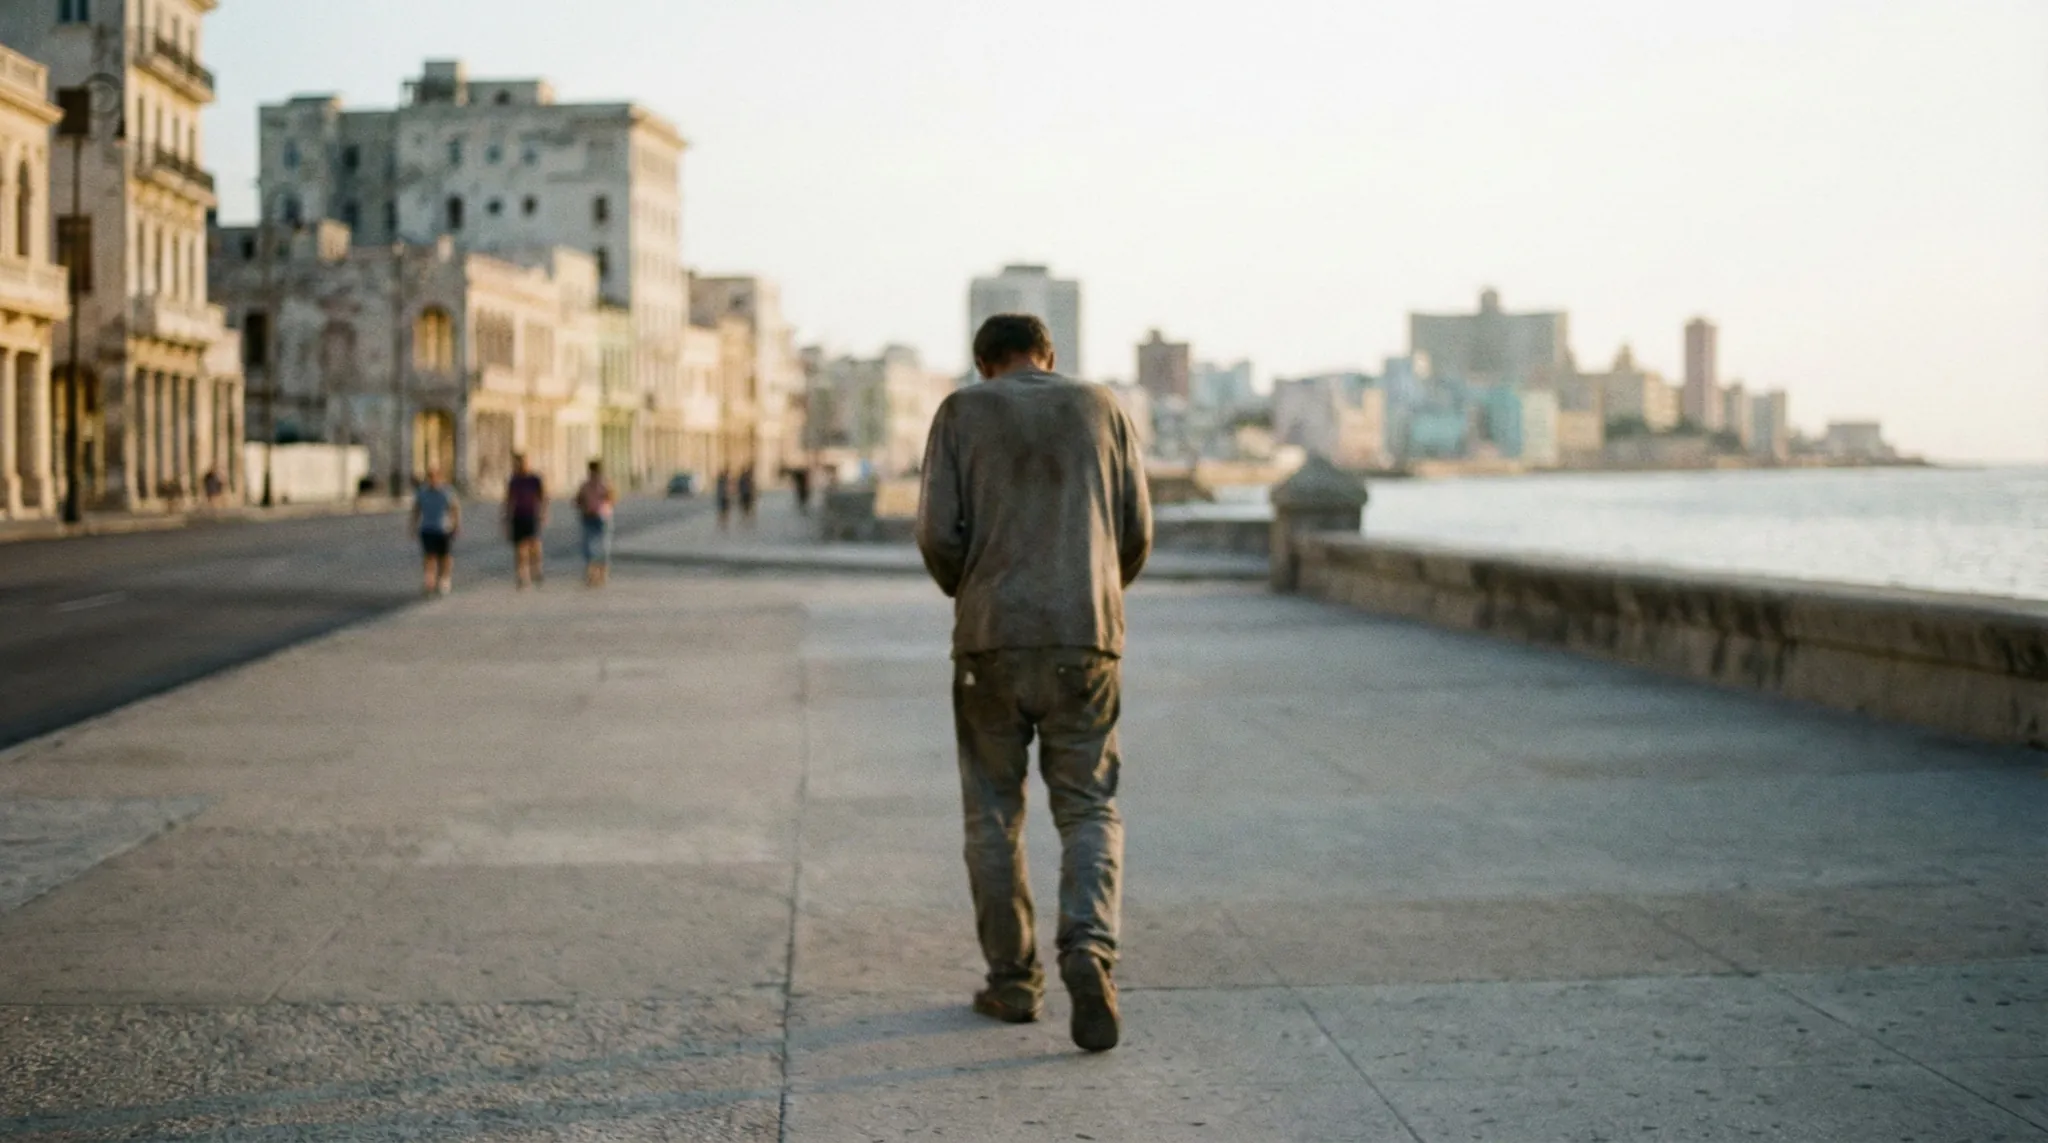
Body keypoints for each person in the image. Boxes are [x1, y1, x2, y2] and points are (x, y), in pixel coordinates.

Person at [914, 313, 1152, 1053]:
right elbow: (1136, 528)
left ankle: (1014, 981)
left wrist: (976, 589)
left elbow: (936, 533)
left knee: (992, 813)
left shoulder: (960, 410)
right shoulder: (1102, 405)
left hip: (990, 640)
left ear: (983, 362)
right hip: (1086, 640)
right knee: (1088, 807)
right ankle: (1088, 947)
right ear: (1048, 356)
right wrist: (1094, 597)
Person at [410, 466, 461, 596]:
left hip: (443, 529)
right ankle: (430, 581)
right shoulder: (422, 492)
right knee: (429, 556)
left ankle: (444, 579)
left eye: (435, 476)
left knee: (445, 557)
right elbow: (416, 509)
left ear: (440, 477)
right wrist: (413, 526)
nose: (432, 479)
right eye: (430, 476)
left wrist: (456, 525)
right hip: (427, 528)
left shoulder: (447, 492)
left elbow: (454, 509)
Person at [503, 452, 547, 589]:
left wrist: (544, 513)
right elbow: (509, 500)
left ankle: (536, 569)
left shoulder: (535, 479)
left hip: (532, 514)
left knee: (534, 544)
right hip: (518, 515)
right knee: (520, 548)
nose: (520, 465)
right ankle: (522, 575)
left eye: (522, 462)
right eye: (518, 463)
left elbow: (543, 496)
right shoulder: (514, 480)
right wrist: (506, 517)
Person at [575, 459, 617, 587]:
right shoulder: (586, 485)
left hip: (602, 517)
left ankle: (602, 574)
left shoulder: (605, 484)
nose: (593, 474)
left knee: (603, 546)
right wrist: (582, 506)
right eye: (592, 471)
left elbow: (613, 497)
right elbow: (578, 499)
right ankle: (591, 574)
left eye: (595, 471)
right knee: (589, 546)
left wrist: (605, 502)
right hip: (589, 517)